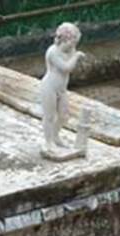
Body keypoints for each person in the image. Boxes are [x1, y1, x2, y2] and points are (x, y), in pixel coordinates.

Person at [39, 22, 85, 153]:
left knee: (64, 115)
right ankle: (49, 142)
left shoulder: (71, 50)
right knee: (49, 116)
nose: (74, 46)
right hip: (49, 87)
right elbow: (66, 68)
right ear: (64, 40)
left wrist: (74, 53)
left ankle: (55, 135)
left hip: (62, 88)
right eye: (72, 42)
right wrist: (76, 57)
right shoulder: (52, 52)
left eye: (75, 43)